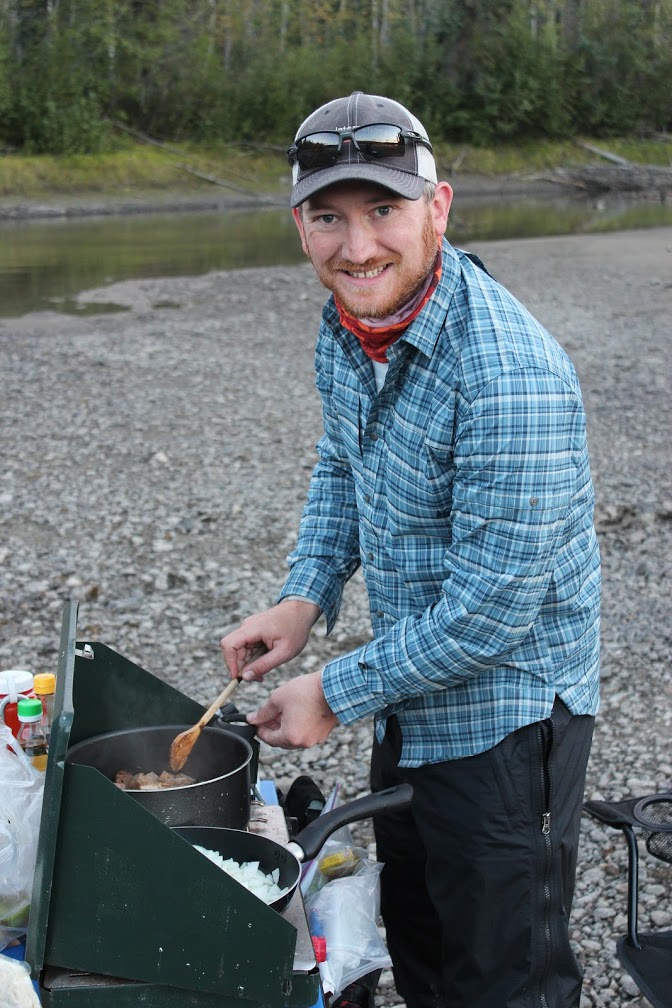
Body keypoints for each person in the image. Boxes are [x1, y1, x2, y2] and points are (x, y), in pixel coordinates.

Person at [220, 91, 600, 1008]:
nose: (357, 249)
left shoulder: (509, 372)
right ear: (300, 225)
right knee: (424, 946)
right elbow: (344, 461)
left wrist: (335, 692)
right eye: (330, 219)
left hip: (508, 723)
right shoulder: (353, 328)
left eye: (383, 211)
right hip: (412, 694)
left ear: (439, 207)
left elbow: (491, 611)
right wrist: (305, 594)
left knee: (506, 978)